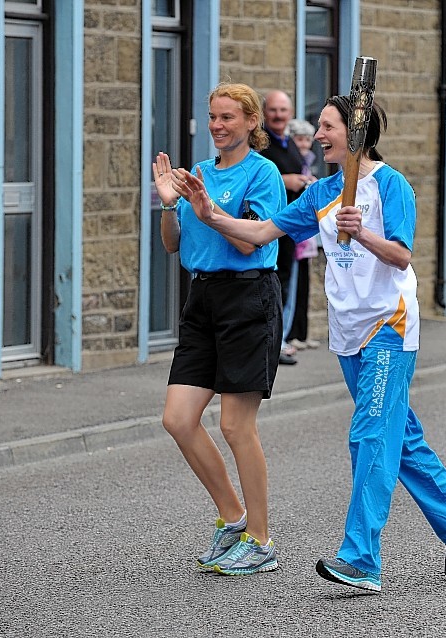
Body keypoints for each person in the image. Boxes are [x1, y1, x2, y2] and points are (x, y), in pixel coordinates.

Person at [171, 95, 446, 594]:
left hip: (390, 326)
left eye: (327, 127)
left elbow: (401, 256)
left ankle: (361, 557)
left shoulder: (389, 186)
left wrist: (362, 235)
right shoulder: (321, 193)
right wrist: (208, 214)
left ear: (356, 134)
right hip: (348, 331)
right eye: (319, 126)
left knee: (370, 436)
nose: (317, 135)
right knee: (397, 436)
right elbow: (263, 231)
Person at [152, 82, 286, 576]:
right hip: (202, 299)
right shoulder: (198, 175)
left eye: (227, 117)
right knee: (178, 419)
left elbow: (252, 243)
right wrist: (170, 204)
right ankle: (233, 517)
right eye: (212, 116)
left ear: (251, 122)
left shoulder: (263, 174)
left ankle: (261, 539)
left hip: (248, 298)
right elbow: (173, 245)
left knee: (235, 425)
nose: (217, 125)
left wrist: (210, 211)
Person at [260, 90, 316, 365]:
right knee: (274, 285)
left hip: (290, 230)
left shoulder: (288, 143)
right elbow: (256, 178)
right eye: (273, 110)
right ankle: (273, 344)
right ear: (264, 112)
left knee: (286, 285)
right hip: (270, 228)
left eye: (283, 110)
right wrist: (287, 181)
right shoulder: (260, 143)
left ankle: (279, 340)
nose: (279, 115)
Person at [286, 118, 321, 350]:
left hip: (305, 235)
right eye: (300, 139)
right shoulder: (289, 162)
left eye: (308, 139)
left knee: (303, 284)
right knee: (291, 285)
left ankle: (301, 332)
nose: (305, 144)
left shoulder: (307, 163)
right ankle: (290, 335)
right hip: (293, 232)